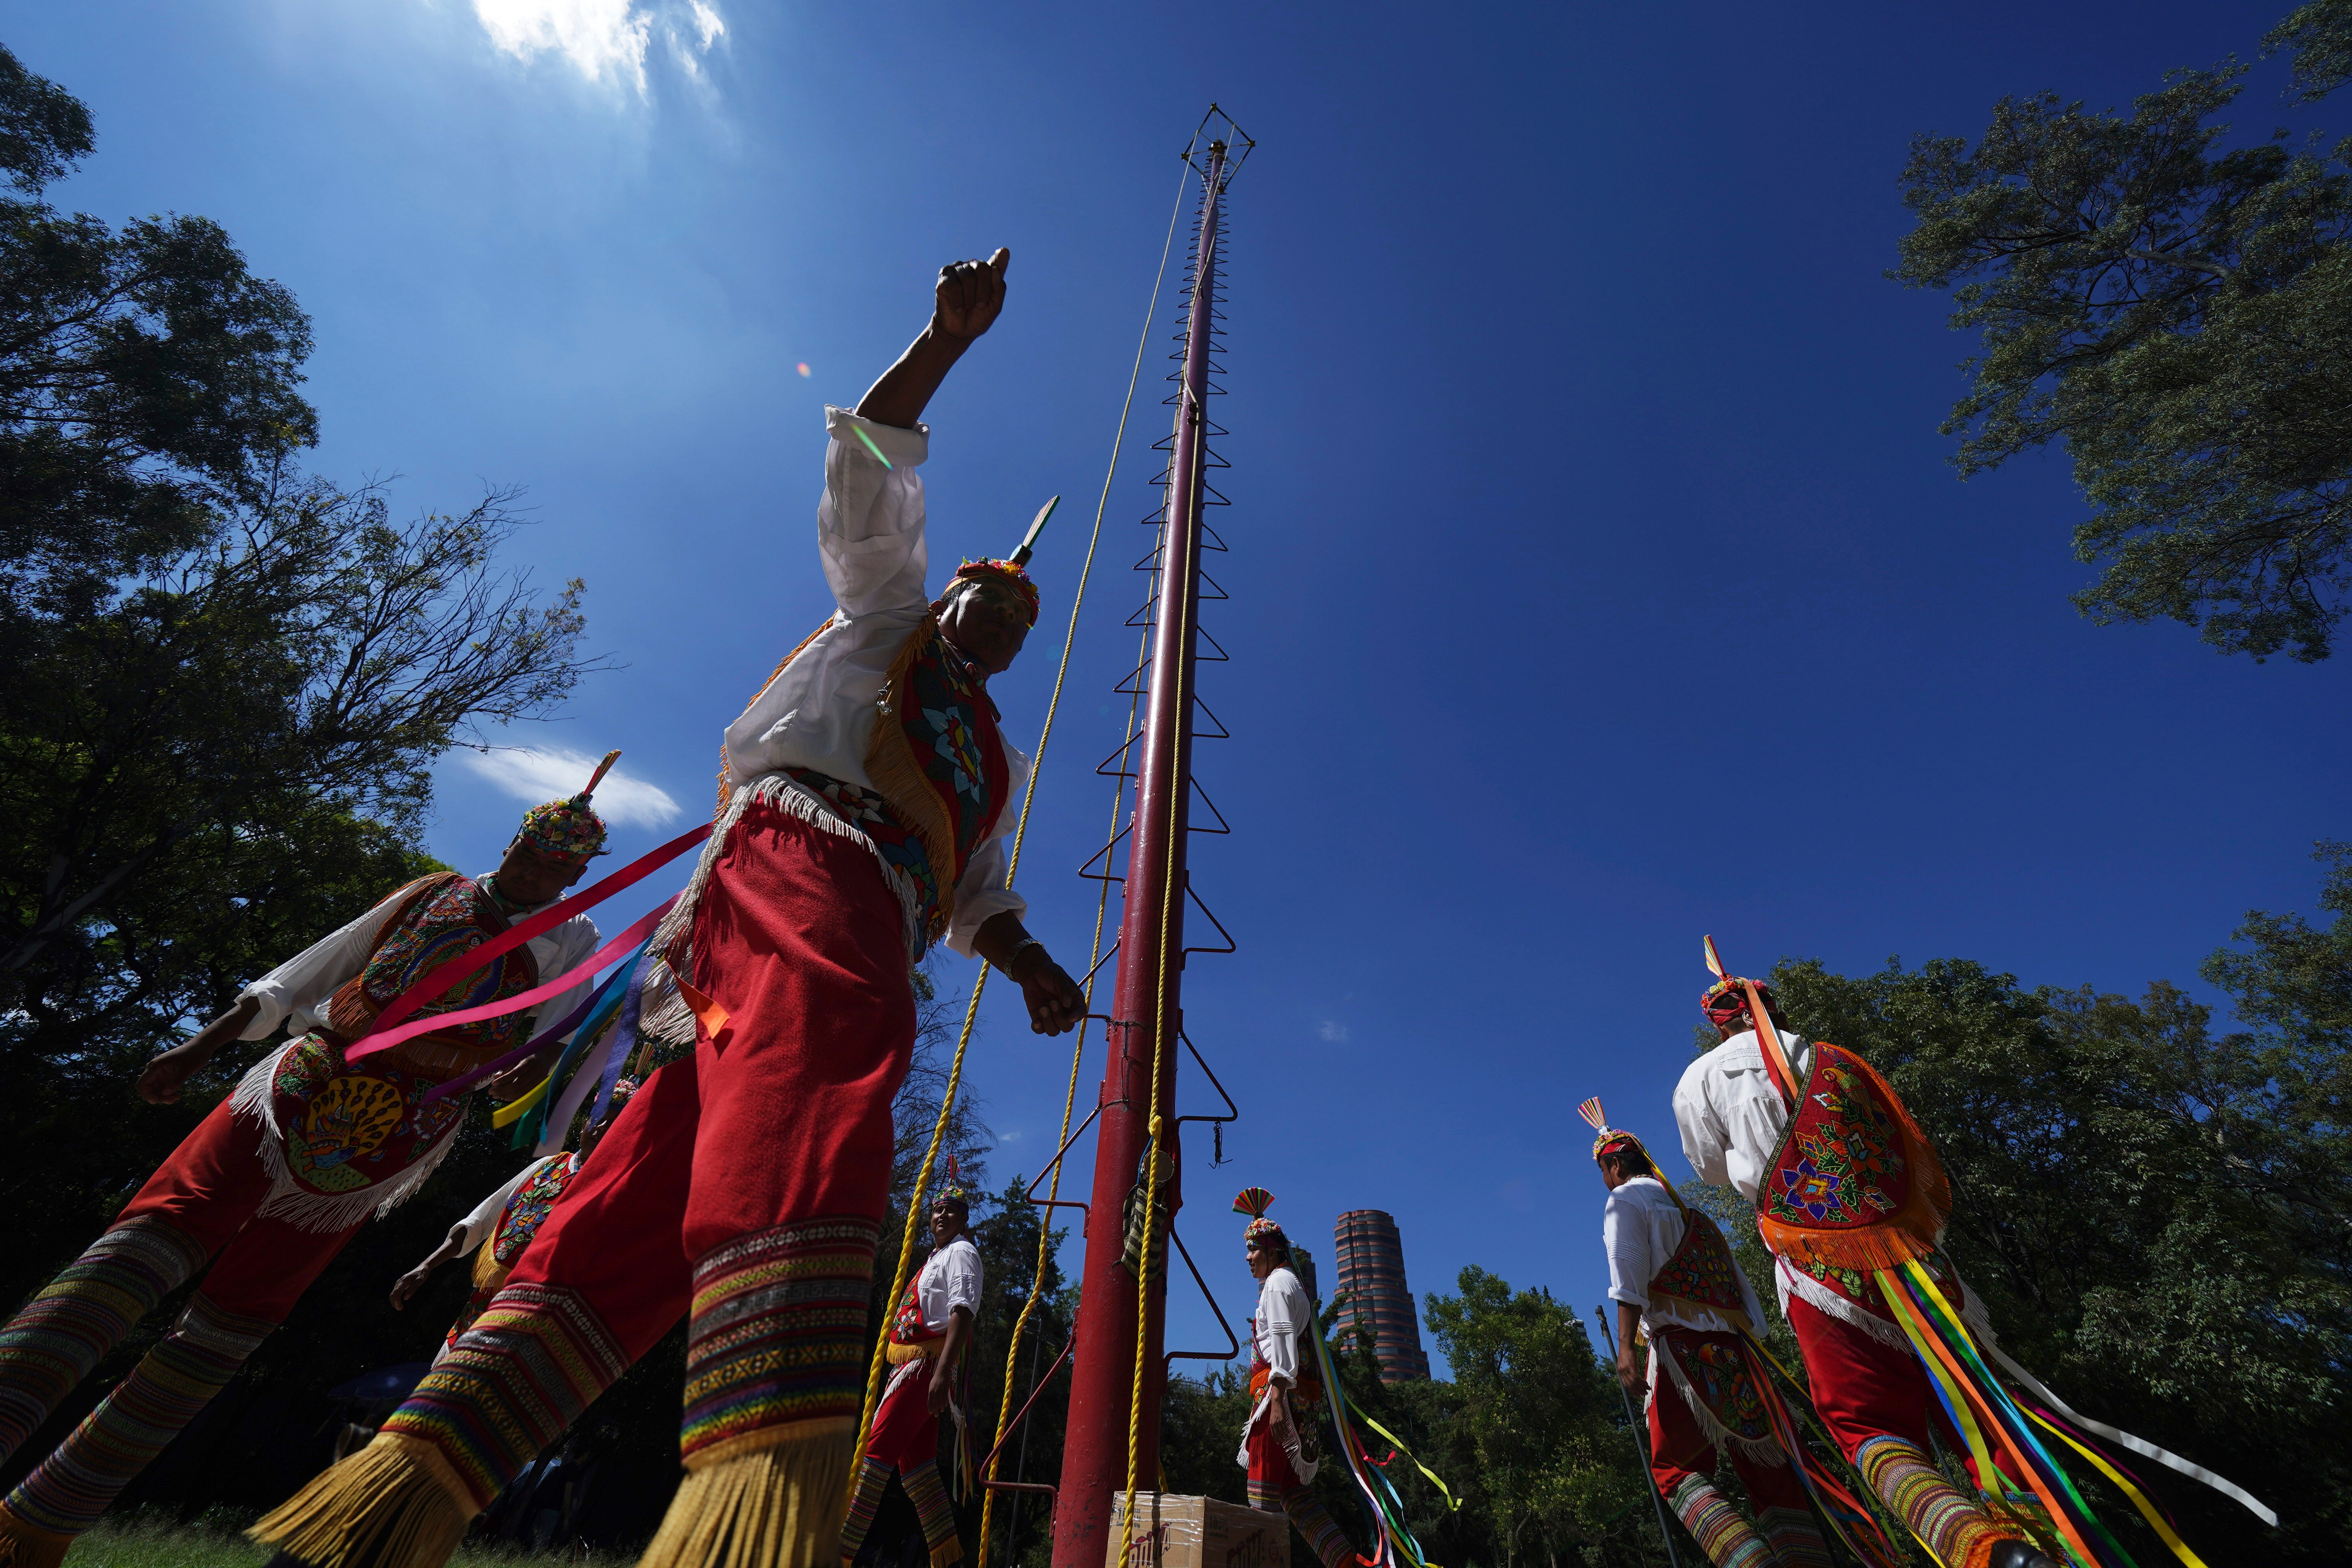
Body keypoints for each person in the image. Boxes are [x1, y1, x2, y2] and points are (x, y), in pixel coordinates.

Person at [252, 250, 1086, 1568]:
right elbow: (870, 464)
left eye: (1018, 622)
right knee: (838, 1043)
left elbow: (978, 895)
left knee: (660, 1170)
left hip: (882, 901)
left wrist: (1032, 963)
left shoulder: (996, 758)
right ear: (953, 592)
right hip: (797, 858)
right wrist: (942, 342)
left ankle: (405, 1490)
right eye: (987, 596)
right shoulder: (886, 621)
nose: (997, 622)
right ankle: (755, 1489)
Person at [0, 768, 612, 1568]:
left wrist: (527, 1072)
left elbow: (558, 1038)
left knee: (224, 1331)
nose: (536, 873)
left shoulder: (571, 941)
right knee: (134, 1257)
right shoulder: (433, 893)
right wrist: (201, 1045)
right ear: (514, 840)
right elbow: (309, 971)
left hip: (387, 1142)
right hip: (298, 1088)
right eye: (530, 854)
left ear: (576, 875)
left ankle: (42, 1522)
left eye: (555, 868)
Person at [1674, 965, 2059, 1568]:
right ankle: (2050, 1547)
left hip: (1819, 1271)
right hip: (1916, 1260)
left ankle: (1983, 1553)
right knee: (1984, 1412)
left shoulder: (1698, 1079)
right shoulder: (1839, 1061)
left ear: (1716, 1022)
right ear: (1768, 1006)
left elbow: (1710, 1170)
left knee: (1867, 1427)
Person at [1583, 1099, 1834, 1568]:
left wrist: (1624, 1349)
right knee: (1768, 1469)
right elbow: (1739, 1288)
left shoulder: (1623, 1201)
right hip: (1737, 1355)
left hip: (1683, 1352)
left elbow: (1628, 1275)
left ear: (1614, 1165)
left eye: (1602, 1170)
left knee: (1674, 1471)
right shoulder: (1689, 1208)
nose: (1603, 1180)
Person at [390, 1078, 641, 1355]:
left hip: (535, 1324)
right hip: (478, 1311)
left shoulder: (615, 1192)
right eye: (598, 1118)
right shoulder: (548, 1165)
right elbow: (481, 1219)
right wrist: (427, 1266)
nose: (602, 1128)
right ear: (584, 1122)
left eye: (614, 1123)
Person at [840, 1184, 983, 1568]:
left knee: (875, 1454)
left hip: (924, 1369)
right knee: (917, 1469)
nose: (941, 1215)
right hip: (914, 1367)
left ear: (964, 1218)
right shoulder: (937, 1256)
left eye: (951, 1209)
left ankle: (838, 1553)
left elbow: (963, 1311)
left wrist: (940, 1374)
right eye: (937, 1209)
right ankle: (947, 1557)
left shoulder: (962, 1251)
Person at [1230, 1189, 1354, 1568]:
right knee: (1294, 1496)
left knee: (1263, 1501)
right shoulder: (1289, 1283)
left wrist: (1279, 1402)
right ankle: (1345, 1562)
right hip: (1296, 1407)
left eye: (1254, 1250)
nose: (1248, 1258)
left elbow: (1283, 1338)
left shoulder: (1278, 1285)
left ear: (1272, 1251)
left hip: (1279, 1404)